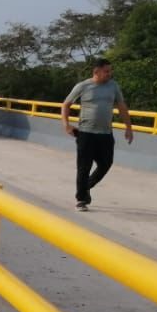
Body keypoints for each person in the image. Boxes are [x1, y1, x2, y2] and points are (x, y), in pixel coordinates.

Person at [62, 58, 133, 210]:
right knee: (84, 167)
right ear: (96, 72)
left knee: (106, 163)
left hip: (105, 134)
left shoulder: (113, 86)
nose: (109, 74)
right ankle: (81, 199)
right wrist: (66, 125)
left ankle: (86, 186)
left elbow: (121, 106)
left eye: (110, 71)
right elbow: (66, 104)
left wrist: (129, 127)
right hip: (86, 133)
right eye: (106, 71)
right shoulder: (83, 86)